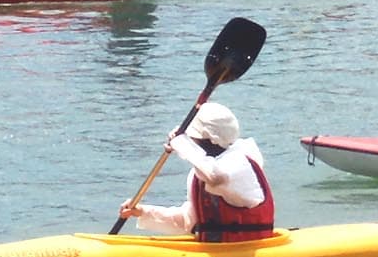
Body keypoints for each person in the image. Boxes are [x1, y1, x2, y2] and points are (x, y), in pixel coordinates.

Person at [117, 100, 275, 242]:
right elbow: (188, 222)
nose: (190, 141)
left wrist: (180, 143)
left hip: (246, 252)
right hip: (218, 254)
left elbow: (216, 177)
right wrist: (143, 211)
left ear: (207, 140)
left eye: (191, 138)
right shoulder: (200, 172)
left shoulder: (240, 165)